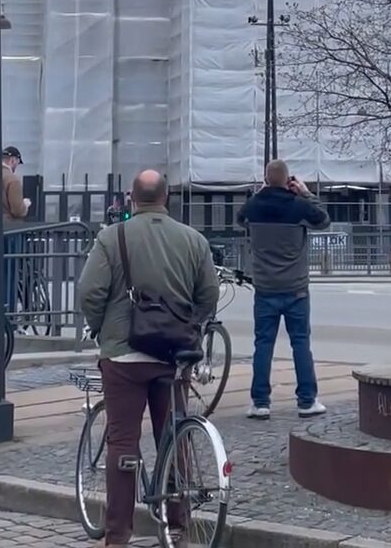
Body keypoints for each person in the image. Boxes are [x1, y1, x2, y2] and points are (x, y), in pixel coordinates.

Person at [78, 170, 219, 548]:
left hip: (124, 356)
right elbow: (208, 294)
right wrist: (190, 324)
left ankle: (118, 536)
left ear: (131, 198)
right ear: (166, 197)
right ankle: (178, 526)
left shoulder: (112, 238)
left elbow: (89, 291)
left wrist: (101, 329)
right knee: (173, 435)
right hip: (173, 356)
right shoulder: (193, 240)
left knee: (123, 442)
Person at [237, 159, 330, 419]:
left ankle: (260, 402)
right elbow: (323, 221)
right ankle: (306, 401)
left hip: (265, 288)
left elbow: (239, 220)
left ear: (266, 179)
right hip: (296, 288)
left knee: (263, 344)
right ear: (289, 180)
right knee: (300, 343)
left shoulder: (254, 206)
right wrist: (306, 193)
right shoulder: (298, 205)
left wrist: (261, 193)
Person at [0, 145, 31, 315]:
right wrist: (25, 205)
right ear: (13, 160)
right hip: (9, 230)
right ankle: (7, 313)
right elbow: (17, 209)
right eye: (17, 162)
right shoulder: (12, 180)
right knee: (9, 272)